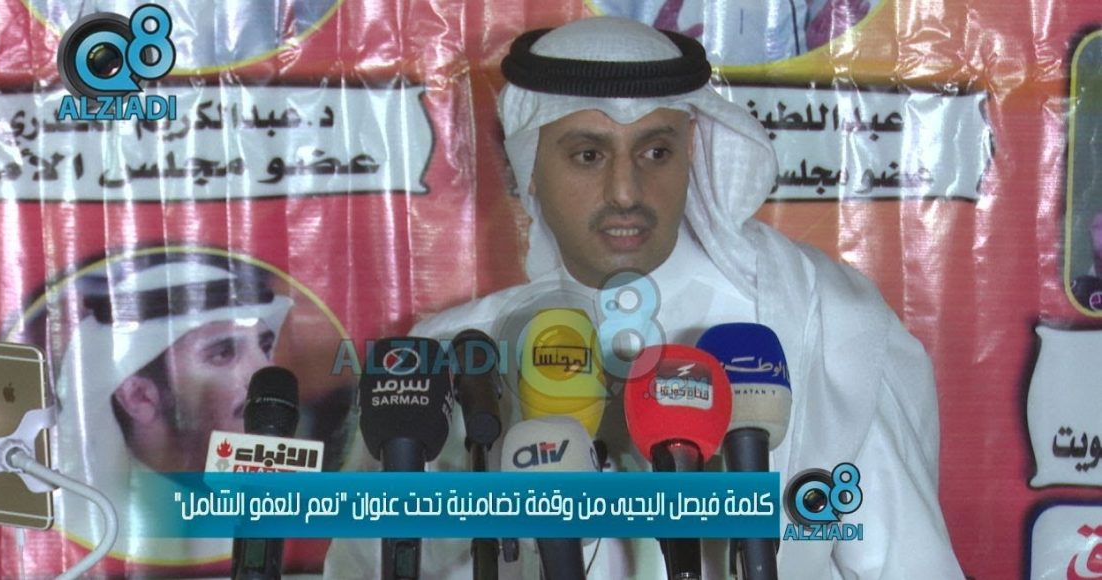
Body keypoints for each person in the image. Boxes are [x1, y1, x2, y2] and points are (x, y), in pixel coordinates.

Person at [325, 16, 962, 578]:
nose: (626, 191)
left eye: (656, 151)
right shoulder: (450, 354)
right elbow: (367, 565)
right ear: (531, 169)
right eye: (587, 155)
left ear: (692, 155)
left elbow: (907, 563)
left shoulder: (819, 323)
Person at [48, 250, 293, 563]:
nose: (266, 375)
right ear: (140, 397)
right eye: (223, 353)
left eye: (265, 347)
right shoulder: (96, 533)